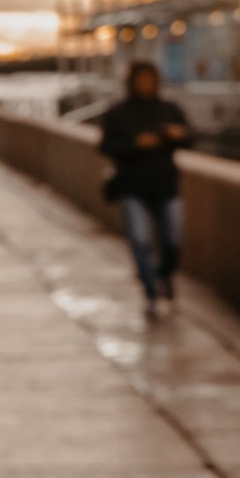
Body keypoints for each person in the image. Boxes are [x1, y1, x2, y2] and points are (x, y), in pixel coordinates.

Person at [99, 59, 190, 314]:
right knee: (139, 241)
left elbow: (190, 139)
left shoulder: (169, 109)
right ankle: (150, 290)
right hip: (132, 187)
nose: (146, 84)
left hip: (166, 185)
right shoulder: (118, 113)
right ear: (132, 82)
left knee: (173, 240)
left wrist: (178, 136)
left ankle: (163, 275)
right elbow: (106, 147)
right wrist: (136, 145)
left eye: (150, 79)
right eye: (141, 80)